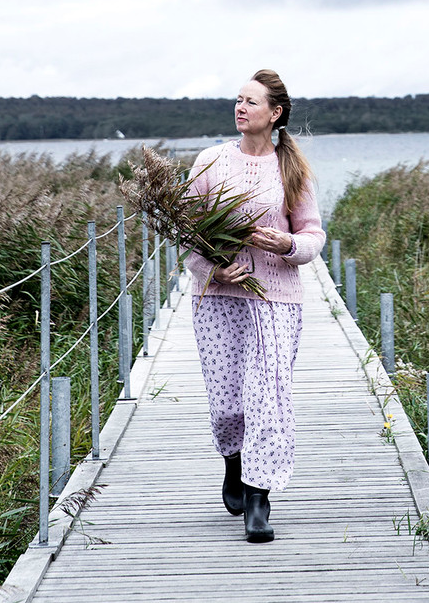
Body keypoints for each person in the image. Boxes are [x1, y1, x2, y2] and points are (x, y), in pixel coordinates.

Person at [184, 69, 325, 543]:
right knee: (227, 403)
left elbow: (312, 235)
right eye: (237, 100)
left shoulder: (293, 169)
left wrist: (286, 244)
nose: (240, 108)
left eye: (251, 102)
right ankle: (233, 462)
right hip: (218, 301)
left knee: (267, 397)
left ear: (275, 113)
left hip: (277, 302)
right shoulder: (209, 162)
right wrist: (213, 271)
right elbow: (187, 238)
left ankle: (259, 498)